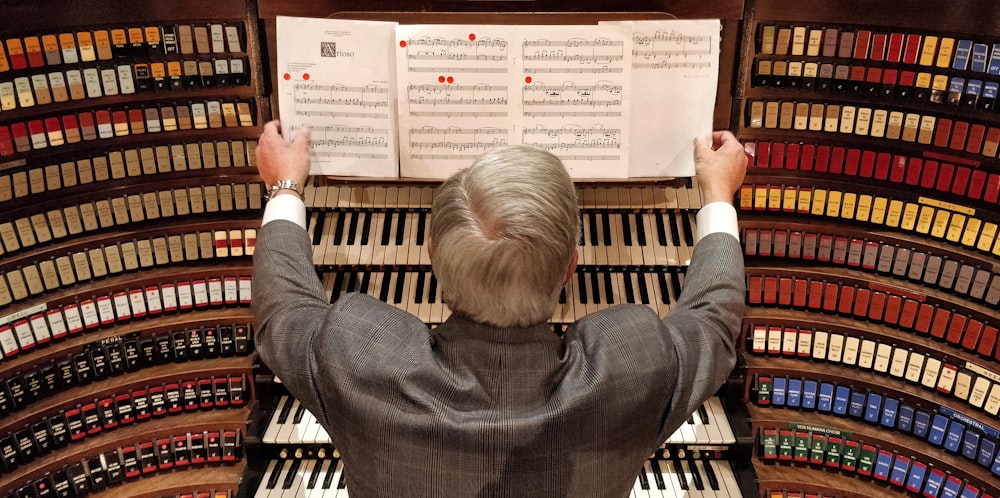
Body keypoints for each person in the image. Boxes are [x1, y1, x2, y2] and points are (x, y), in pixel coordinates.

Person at [252, 119, 747, 498]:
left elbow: (283, 311)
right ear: (571, 267)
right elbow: (714, 323)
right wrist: (718, 194)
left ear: (430, 257)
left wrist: (285, 186)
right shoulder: (633, 369)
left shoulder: (356, 358)